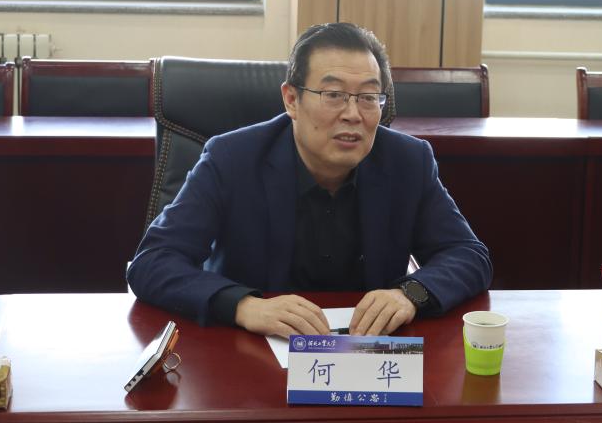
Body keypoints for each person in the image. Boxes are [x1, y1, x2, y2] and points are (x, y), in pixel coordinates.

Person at [127, 22, 492, 336]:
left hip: (365, 354)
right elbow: (153, 262)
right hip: (254, 351)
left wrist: (410, 294)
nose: (353, 114)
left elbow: (468, 255)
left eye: (368, 97)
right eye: (333, 95)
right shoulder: (231, 159)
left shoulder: (408, 161)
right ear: (291, 100)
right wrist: (243, 305)